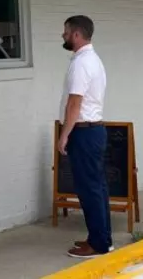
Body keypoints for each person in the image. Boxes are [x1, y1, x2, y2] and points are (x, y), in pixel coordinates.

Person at [57, 15, 112, 259]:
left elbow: (74, 103)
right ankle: (101, 238)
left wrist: (64, 135)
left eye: (66, 32)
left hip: (84, 132)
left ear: (77, 35)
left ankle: (98, 244)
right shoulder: (93, 60)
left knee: (89, 189)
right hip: (94, 130)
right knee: (97, 188)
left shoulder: (81, 63)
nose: (63, 35)